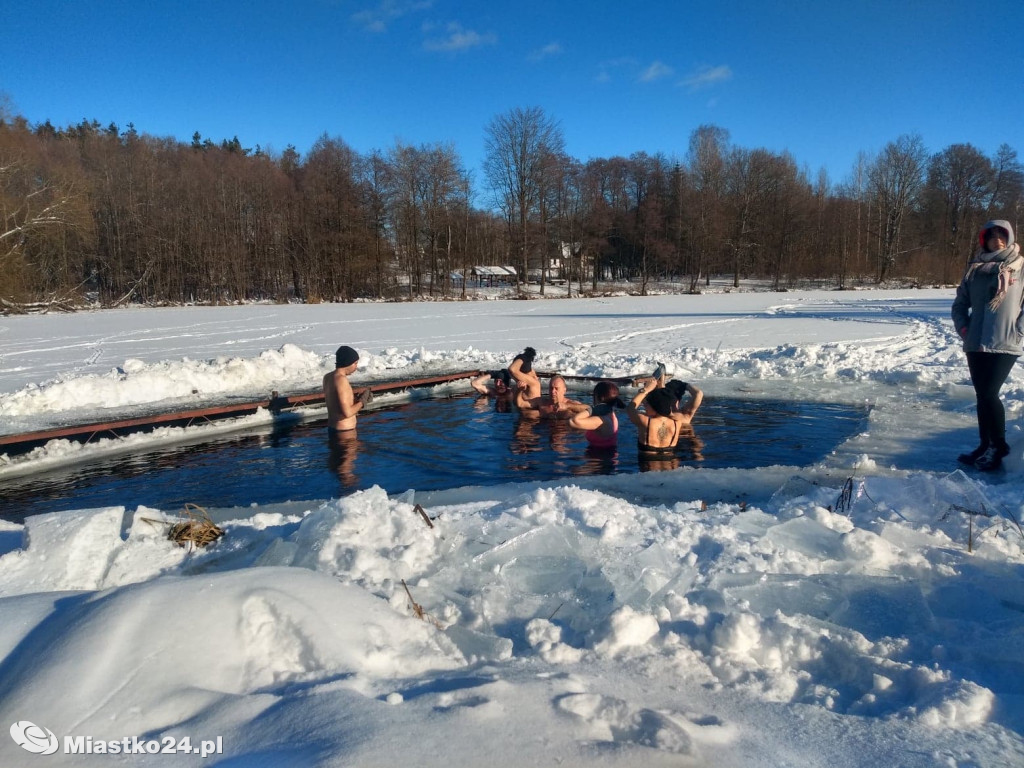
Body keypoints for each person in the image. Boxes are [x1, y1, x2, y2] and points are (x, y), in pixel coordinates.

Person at [951, 220, 1023, 472]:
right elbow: (960, 303)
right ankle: (985, 444)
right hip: (975, 342)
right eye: (992, 236)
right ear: (984, 240)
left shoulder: (1019, 267)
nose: (997, 240)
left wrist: (1019, 330)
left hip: (1004, 342)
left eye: (1002, 235)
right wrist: (964, 329)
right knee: (982, 394)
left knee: (990, 392)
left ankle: (999, 446)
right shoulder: (975, 269)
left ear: (1010, 237)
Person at [627, 378, 703, 455]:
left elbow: (631, 407)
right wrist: (685, 385)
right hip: (675, 457)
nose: (645, 405)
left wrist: (646, 390)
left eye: (647, 404)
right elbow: (698, 394)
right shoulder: (680, 420)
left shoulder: (645, 420)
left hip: (652, 461)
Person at [323, 345, 371, 433]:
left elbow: (336, 403)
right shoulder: (341, 380)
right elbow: (347, 413)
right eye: (355, 363)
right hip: (345, 433)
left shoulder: (327, 377)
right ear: (348, 362)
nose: (356, 367)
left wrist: (355, 399)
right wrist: (363, 401)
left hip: (333, 428)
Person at [569, 380, 624, 449]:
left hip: (598, 457)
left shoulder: (600, 420)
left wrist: (593, 409)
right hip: (606, 456)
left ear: (597, 397)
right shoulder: (611, 414)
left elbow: (573, 421)